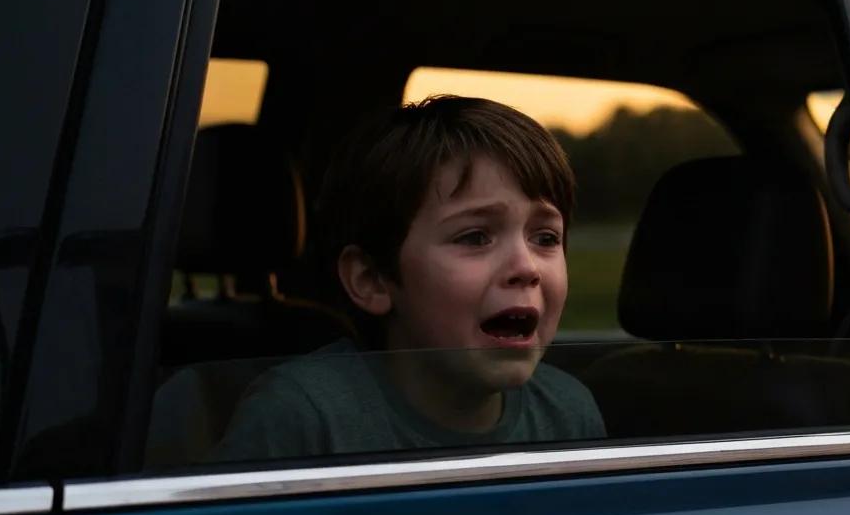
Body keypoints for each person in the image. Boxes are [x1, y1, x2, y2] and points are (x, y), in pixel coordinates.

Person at [216, 95, 605, 459]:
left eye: (546, 238)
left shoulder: (568, 412)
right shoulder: (302, 416)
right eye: (474, 237)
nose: (526, 267)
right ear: (371, 280)